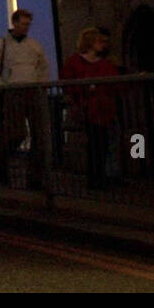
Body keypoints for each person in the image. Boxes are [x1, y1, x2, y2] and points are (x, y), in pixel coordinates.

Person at [0, 8, 51, 187]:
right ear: (14, 23)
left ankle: (34, 178)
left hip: (34, 91)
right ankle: (0, 161)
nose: (26, 27)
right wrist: (1, 87)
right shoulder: (1, 44)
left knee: (39, 136)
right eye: (23, 24)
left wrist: (42, 84)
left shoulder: (34, 46)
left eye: (28, 24)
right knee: (17, 133)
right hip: (13, 91)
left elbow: (43, 67)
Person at [60, 27, 121, 189]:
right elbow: (68, 84)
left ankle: (105, 176)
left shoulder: (105, 63)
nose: (103, 45)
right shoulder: (75, 62)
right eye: (99, 42)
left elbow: (116, 83)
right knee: (95, 144)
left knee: (105, 143)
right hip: (89, 109)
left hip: (105, 109)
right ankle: (96, 179)